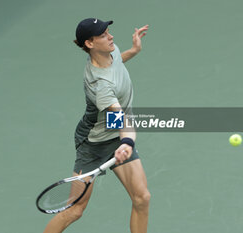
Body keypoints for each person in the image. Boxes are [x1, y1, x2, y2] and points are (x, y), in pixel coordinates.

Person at [43, 18, 150, 233]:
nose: (110, 37)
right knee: (75, 210)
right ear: (90, 44)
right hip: (93, 144)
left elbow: (117, 63)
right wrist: (127, 142)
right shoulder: (100, 86)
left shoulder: (111, 51)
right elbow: (121, 120)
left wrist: (134, 50)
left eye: (108, 32)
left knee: (142, 198)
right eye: (103, 35)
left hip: (116, 136)